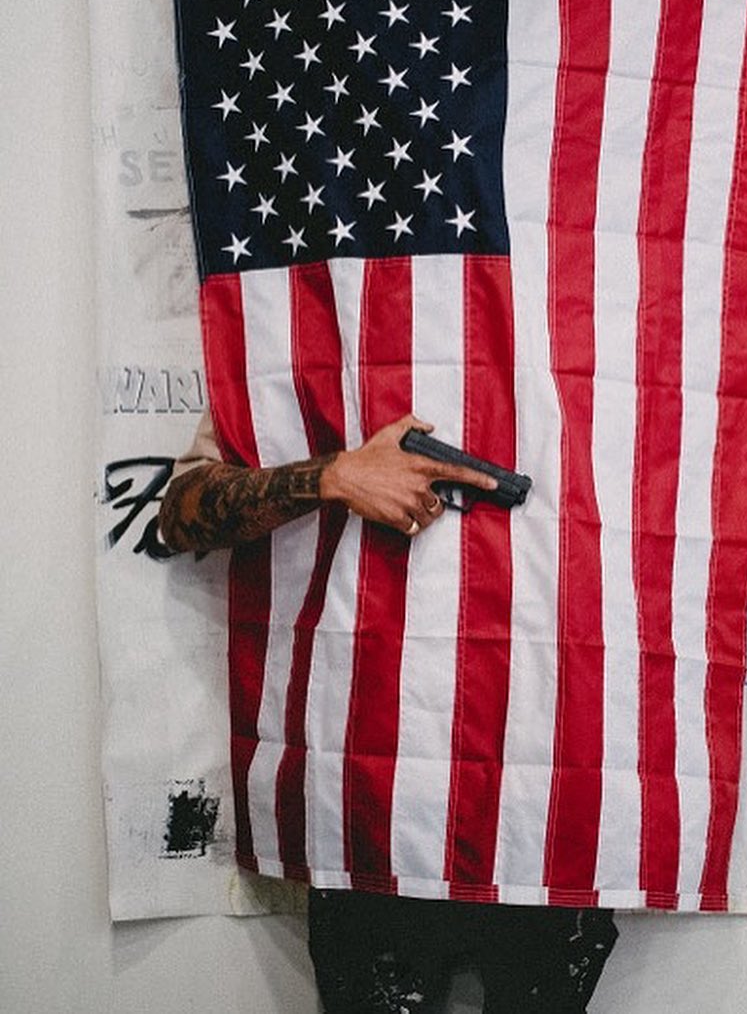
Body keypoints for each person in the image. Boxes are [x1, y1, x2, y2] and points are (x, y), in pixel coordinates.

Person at [159, 411, 618, 1013]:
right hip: (372, 802)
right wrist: (336, 475)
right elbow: (180, 514)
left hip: (546, 797)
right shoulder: (311, 357)